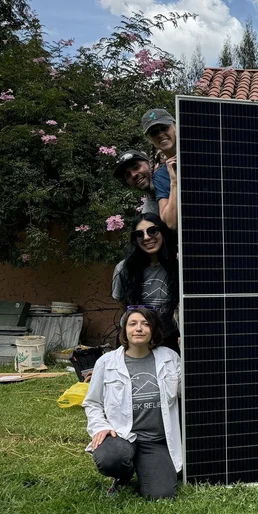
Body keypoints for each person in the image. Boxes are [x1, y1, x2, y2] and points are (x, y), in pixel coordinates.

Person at [83, 306, 182, 499]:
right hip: (121, 435)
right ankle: (124, 474)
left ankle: (146, 465)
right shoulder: (107, 362)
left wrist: (188, 351)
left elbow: (185, 393)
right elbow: (93, 402)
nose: (139, 328)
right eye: (133, 324)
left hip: (156, 440)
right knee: (111, 458)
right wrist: (100, 427)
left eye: (146, 324)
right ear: (125, 330)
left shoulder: (169, 358)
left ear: (153, 330)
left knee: (161, 494)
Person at [112, 214, 179, 351]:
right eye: (139, 234)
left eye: (152, 230)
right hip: (133, 339)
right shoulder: (124, 268)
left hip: (167, 337)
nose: (147, 237)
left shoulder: (178, 267)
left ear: (163, 232)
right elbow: (121, 302)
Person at [141, 108, 178, 231]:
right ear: (150, 140)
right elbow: (171, 223)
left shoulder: (203, 155)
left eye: (164, 128)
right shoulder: (161, 176)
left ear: (175, 127)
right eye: (154, 133)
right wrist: (174, 182)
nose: (160, 134)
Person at [112, 149, 160, 216]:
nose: (133, 175)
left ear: (150, 163)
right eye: (128, 175)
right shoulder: (148, 213)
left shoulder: (175, 177)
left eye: (136, 167)